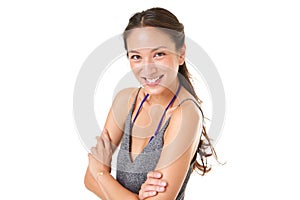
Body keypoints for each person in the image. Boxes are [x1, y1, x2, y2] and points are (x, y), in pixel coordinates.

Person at [84, 7, 217, 200]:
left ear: (181, 54)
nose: (148, 68)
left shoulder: (186, 114)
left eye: (159, 54)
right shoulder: (125, 100)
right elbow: (88, 180)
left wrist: (101, 174)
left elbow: (94, 174)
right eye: (136, 56)